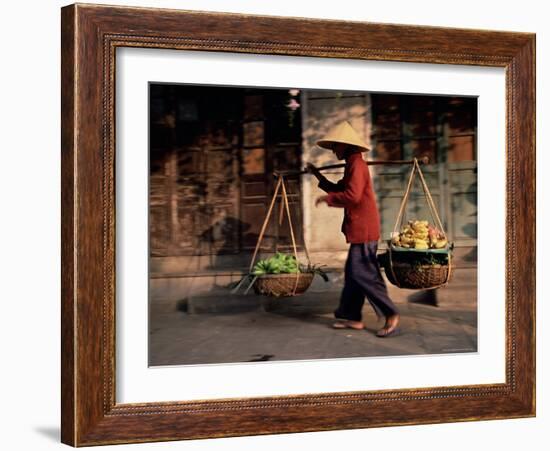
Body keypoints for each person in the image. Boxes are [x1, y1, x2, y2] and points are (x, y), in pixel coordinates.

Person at [306, 120, 400, 337]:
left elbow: (353, 196)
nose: (334, 151)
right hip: (360, 228)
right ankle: (352, 317)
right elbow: (341, 188)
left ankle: (390, 312)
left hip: (364, 228)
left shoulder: (357, 164)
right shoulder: (352, 163)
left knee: (362, 272)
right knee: (353, 273)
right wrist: (317, 175)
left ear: (346, 146)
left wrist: (327, 199)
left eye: (336, 146)